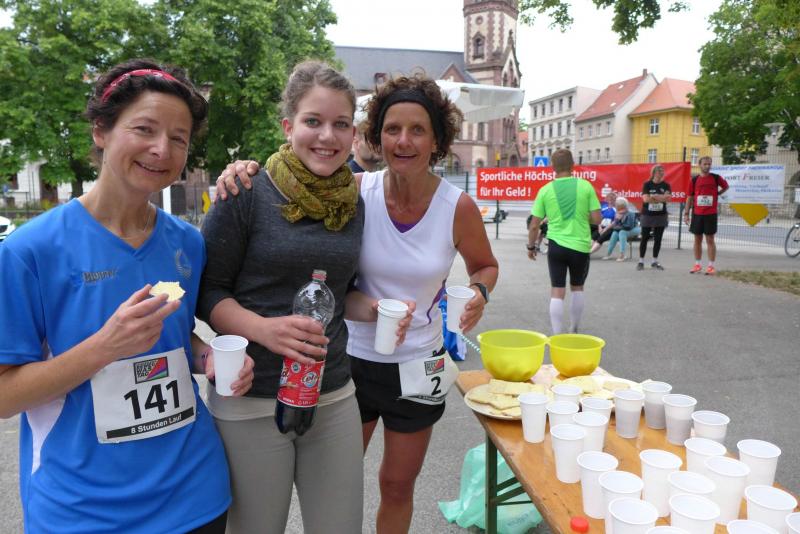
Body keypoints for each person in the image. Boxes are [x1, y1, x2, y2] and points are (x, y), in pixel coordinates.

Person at [215, 73, 499, 534]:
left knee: (397, 485)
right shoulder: (353, 192)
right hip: (351, 362)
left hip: (418, 363)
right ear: (375, 137)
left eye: (418, 130)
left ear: (437, 140)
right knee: (326, 488)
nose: (403, 141)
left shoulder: (457, 206)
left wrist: (479, 293)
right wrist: (242, 169)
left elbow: (484, 265)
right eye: (392, 129)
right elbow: (297, 197)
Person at [0, 58, 254, 533]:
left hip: (195, 494)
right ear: (101, 130)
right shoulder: (28, 252)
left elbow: (175, 337)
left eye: (179, 138)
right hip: (83, 511)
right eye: (144, 129)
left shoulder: (187, 242)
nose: (162, 149)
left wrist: (207, 357)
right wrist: (106, 345)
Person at [198, 61, 367, 534]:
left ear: (353, 134)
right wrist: (264, 330)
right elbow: (208, 291)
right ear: (288, 126)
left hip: (332, 392)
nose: (327, 136)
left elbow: (344, 293)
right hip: (251, 396)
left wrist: (379, 310)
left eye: (340, 124)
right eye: (313, 121)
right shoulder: (245, 190)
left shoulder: (352, 202)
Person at [527, 148, 601, 334]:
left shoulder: (545, 190)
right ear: (573, 165)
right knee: (577, 287)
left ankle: (556, 334)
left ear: (552, 167)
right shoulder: (586, 186)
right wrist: (581, 216)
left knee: (557, 289)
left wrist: (531, 246)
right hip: (580, 246)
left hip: (556, 246)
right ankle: (574, 329)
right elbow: (597, 219)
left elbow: (534, 225)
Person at [685, 155, 728, 275]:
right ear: (700, 165)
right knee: (697, 239)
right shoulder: (694, 180)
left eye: (709, 164)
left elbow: (726, 186)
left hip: (711, 214)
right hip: (697, 214)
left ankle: (711, 266)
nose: (707, 166)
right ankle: (697, 264)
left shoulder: (716, 178)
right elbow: (689, 197)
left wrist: (717, 193)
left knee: (710, 239)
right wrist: (686, 213)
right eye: (705, 164)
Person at [637, 164, 671, 270]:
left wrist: (654, 196)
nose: (661, 173)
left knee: (658, 239)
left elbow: (668, 199)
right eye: (659, 171)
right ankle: (641, 261)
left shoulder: (666, 185)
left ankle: (654, 261)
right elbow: (646, 199)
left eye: (662, 171)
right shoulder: (647, 184)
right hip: (647, 215)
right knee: (644, 238)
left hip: (661, 215)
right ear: (654, 173)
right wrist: (661, 197)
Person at [601, 197, 641, 261]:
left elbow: (629, 226)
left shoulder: (630, 213)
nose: (616, 206)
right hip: (622, 228)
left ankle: (622, 255)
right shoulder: (617, 213)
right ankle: (608, 254)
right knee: (614, 233)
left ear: (621, 206)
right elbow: (614, 223)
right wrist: (606, 229)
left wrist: (620, 220)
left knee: (622, 232)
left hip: (635, 228)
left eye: (617, 205)